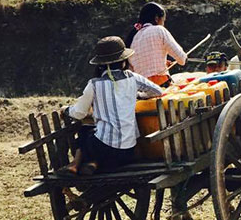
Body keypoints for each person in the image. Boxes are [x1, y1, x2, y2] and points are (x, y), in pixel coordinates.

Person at [60, 36, 163, 175]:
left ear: (101, 64)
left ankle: (75, 164)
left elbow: (79, 113)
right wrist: (139, 95)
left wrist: (66, 110)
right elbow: (157, 90)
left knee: (85, 131)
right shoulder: (133, 77)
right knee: (96, 137)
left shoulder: (94, 84)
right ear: (123, 61)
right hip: (129, 151)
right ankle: (92, 163)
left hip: (103, 149)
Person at [125, 2, 187, 87]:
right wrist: (185, 58)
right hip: (160, 85)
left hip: (141, 89)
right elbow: (181, 59)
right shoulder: (159, 30)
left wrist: (162, 63)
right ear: (157, 18)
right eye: (163, 20)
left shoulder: (133, 38)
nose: (163, 23)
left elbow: (133, 68)